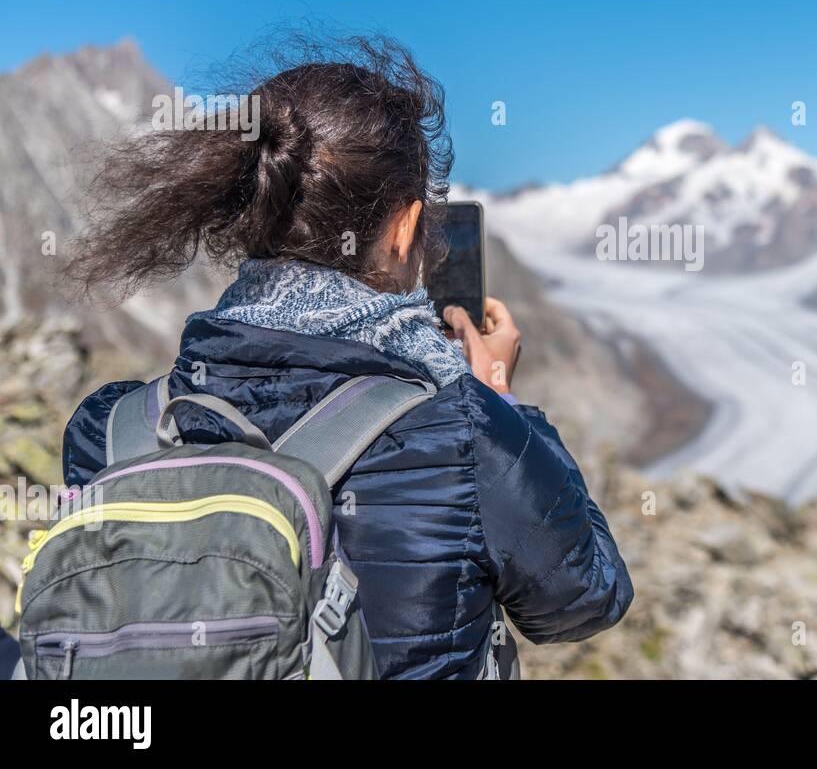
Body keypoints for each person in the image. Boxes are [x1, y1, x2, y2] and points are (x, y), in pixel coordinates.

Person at [59, 34, 633, 679]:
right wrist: (495, 393)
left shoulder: (110, 432)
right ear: (405, 229)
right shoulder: (466, 434)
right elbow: (585, 599)